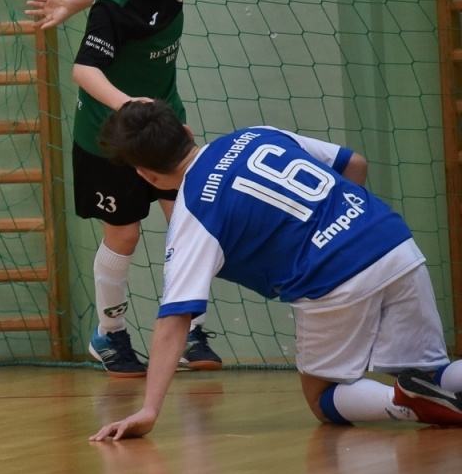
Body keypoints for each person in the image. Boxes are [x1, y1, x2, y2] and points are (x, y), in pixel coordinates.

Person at [88, 99, 462, 440]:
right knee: (429, 371)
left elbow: (175, 318)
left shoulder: (193, 214)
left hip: (331, 279)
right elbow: (355, 164)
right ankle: (428, 391)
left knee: (322, 397)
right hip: (393, 241)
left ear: (147, 176)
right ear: (186, 131)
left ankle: (405, 403)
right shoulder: (256, 134)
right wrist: (345, 228)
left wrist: (149, 410)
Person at [26, 0, 222, 377]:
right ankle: (109, 334)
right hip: (109, 136)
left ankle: (190, 329)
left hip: (162, 126)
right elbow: (83, 71)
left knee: (188, 224)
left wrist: (73, 0)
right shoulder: (115, 9)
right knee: (125, 234)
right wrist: (131, 105)